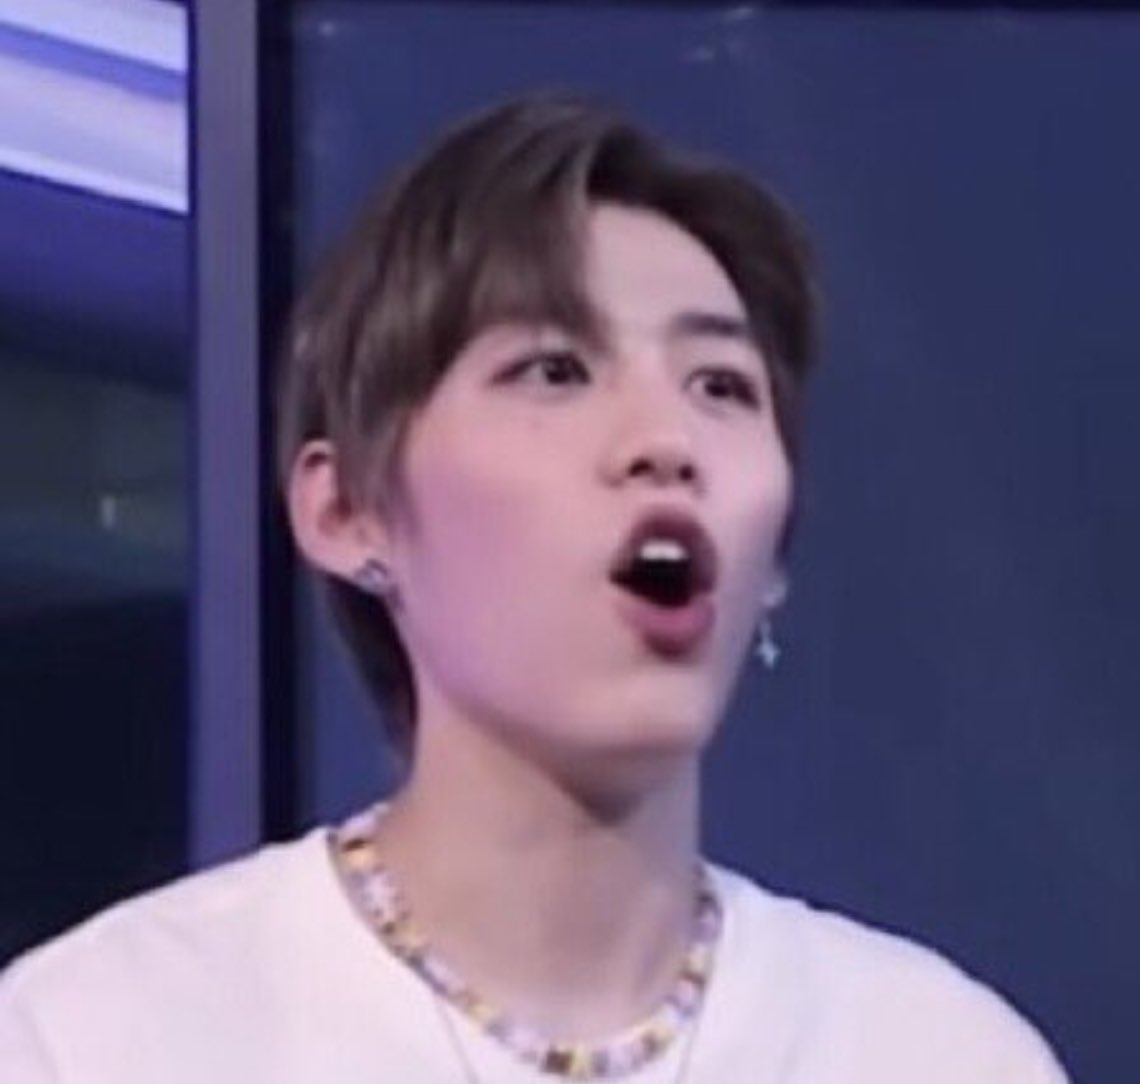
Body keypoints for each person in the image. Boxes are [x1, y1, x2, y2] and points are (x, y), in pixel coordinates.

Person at [0, 95, 1067, 1083]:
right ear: (347, 510)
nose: (666, 441)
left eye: (721, 386)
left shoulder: (938, 1052)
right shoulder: (101, 1036)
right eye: (555, 370)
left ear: (775, 559)